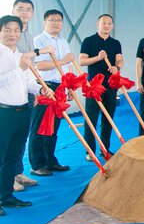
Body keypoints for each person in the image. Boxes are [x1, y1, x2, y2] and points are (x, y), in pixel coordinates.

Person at [0, 15, 53, 215]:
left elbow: (28, 81)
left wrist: (41, 90)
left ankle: (6, 196)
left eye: (16, 30)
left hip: (23, 111)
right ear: (0, 31)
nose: (12, 34)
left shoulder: (21, 55)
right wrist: (19, 68)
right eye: (7, 29)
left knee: (13, 157)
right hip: (3, 112)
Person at [11, 0, 54, 190]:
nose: (24, 12)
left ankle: (18, 173)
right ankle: (8, 177)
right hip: (9, 91)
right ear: (13, 11)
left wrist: (35, 89)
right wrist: (40, 51)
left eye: (28, 9)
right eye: (20, 9)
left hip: (25, 88)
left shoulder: (27, 35)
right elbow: (21, 59)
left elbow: (30, 67)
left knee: (21, 134)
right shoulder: (9, 35)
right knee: (8, 136)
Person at [28, 10, 73, 177]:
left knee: (54, 127)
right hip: (44, 87)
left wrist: (68, 86)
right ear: (45, 22)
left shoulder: (64, 42)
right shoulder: (38, 41)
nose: (56, 23)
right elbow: (39, 65)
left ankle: (50, 160)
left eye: (59, 20)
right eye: (52, 20)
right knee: (39, 126)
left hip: (60, 87)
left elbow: (67, 67)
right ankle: (37, 164)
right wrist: (63, 61)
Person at [79, 14, 123, 161]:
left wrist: (117, 68)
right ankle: (89, 151)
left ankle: (105, 148)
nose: (107, 25)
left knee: (108, 118)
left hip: (111, 86)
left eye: (109, 23)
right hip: (93, 86)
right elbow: (82, 61)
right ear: (97, 24)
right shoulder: (89, 41)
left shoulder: (115, 43)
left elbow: (120, 60)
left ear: (113, 26)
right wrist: (98, 57)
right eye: (104, 23)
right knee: (90, 119)